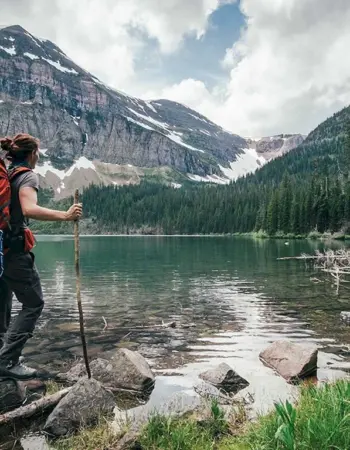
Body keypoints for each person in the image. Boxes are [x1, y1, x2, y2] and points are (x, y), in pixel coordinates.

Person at [0, 134, 82, 379]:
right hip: (14, 253)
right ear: (33, 154)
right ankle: (7, 361)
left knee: (2, 306)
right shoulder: (26, 175)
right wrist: (66, 216)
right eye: (38, 153)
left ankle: (3, 357)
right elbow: (29, 209)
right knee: (33, 303)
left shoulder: (7, 174)